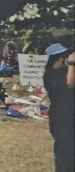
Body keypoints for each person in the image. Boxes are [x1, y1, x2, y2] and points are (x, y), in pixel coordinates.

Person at [42, 43, 75, 172]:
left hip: (70, 117)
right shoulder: (51, 75)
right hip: (61, 120)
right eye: (65, 57)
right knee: (64, 154)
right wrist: (72, 63)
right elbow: (69, 84)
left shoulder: (65, 72)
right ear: (57, 59)